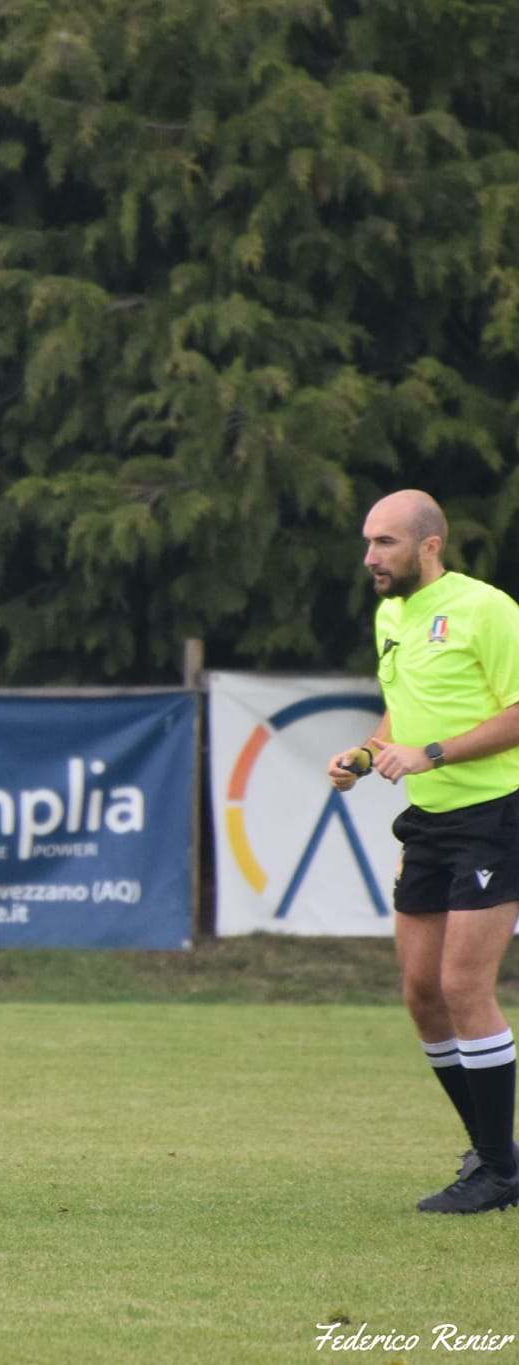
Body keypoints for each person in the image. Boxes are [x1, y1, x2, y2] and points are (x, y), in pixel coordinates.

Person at [329, 489, 519, 1215]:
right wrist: (364, 751)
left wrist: (431, 754)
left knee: (466, 986)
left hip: (493, 817)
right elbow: (399, 711)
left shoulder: (486, 608)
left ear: (430, 545)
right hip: (430, 822)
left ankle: (497, 1171)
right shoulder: (390, 614)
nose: (371, 557)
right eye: (369, 543)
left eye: (386, 543)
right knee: (421, 992)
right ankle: (496, 1154)